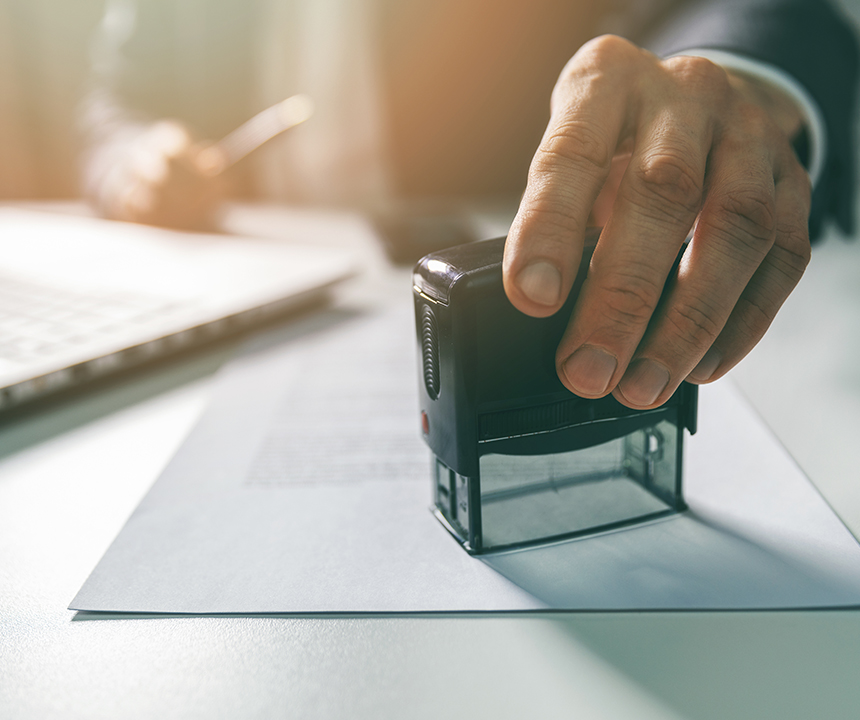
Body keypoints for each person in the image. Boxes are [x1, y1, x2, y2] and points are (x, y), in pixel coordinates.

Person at [80, 0, 859, 409]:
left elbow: (770, 7)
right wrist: (129, 156)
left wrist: (733, 82)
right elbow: (113, 101)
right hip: (249, 286)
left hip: (501, 281)